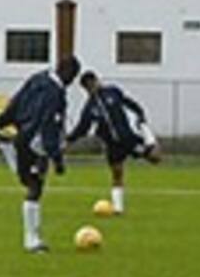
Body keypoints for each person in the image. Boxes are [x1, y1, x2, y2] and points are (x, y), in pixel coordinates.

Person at [0, 55, 81, 253]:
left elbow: (17, 100)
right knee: (34, 187)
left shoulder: (38, 78)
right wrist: (57, 159)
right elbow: (49, 125)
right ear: (66, 72)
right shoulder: (55, 93)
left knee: (29, 181)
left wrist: (1, 121)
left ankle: (6, 144)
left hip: (23, 136)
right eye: (72, 77)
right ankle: (32, 240)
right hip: (35, 143)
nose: (71, 82)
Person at [67, 71, 161, 214]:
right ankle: (118, 208)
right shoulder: (90, 108)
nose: (92, 87)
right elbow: (82, 128)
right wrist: (69, 139)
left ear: (97, 81)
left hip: (129, 139)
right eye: (88, 86)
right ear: (85, 89)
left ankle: (151, 142)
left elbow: (130, 104)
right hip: (112, 145)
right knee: (117, 173)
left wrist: (141, 119)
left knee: (155, 158)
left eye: (93, 83)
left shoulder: (112, 92)